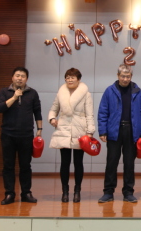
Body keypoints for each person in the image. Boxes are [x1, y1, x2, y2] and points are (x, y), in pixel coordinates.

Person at [97, 64, 141, 203]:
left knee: (129, 163)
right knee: (111, 162)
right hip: (114, 130)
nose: (125, 79)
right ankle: (108, 192)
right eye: (123, 76)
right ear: (118, 76)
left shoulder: (137, 91)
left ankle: (128, 193)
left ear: (131, 77)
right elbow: (103, 111)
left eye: (128, 76)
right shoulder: (109, 91)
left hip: (132, 131)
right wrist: (103, 130)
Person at [0, 66, 42, 205]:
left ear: (27, 79)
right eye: (17, 75)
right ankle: (9, 193)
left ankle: (26, 193)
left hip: (26, 135)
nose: (20, 78)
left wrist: (39, 129)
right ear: (12, 77)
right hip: (8, 134)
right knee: (8, 166)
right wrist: (14, 97)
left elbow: (37, 112)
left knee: (25, 165)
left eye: (23, 76)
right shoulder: (4, 92)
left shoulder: (32, 93)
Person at [48, 68, 95, 203]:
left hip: (80, 130)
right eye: (67, 77)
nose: (69, 80)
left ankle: (77, 191)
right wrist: (52, 118)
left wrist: (90, 131)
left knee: (78, 162)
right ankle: (65, 192)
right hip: (63, 129)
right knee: (65, 162)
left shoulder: (85, 94)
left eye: (72, 77)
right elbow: (54, 109)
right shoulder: (61, 92)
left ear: (78, 79)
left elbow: (89, 114)